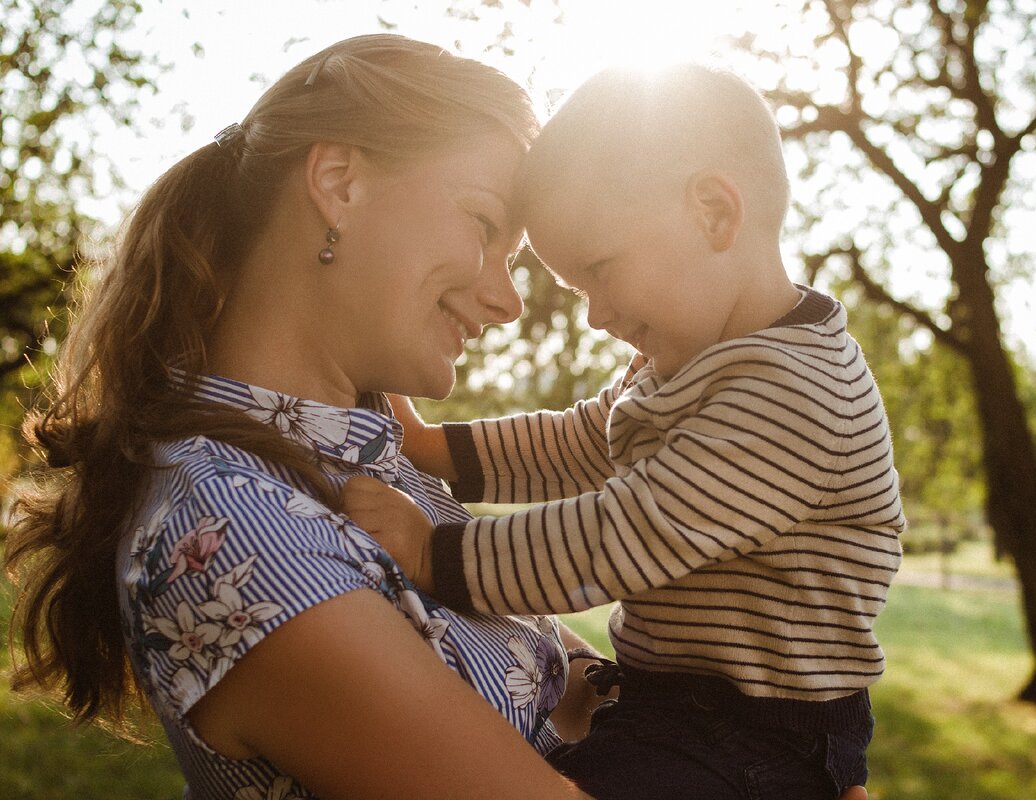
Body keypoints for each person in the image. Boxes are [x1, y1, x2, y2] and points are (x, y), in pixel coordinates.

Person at [3, 34, 617, 799]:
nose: (506, 299)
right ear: (338, 182)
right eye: (485, 227)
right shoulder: (232, 528)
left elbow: (559, 676)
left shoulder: (372, 461)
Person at [341, 63, 905, 800]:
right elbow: (582, 443)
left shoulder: (792, 393)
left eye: (600, 271)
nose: (595, 314)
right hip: (680, 714)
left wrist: (434, 553)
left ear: (713, 214)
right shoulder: (693, 359)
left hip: (759, 740)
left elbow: (626, 533)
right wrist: (434, 449)